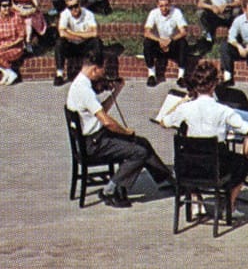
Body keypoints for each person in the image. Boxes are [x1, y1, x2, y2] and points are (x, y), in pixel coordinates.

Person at [160, 61, 248, 217]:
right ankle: (229, 206)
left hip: (189, 167)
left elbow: (164, 122)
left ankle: (196, 201)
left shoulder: (185, 108)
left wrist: (181, 102)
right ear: (214, 85)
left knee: (187, 156)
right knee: (244, 163)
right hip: (216, 166)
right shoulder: (224, 110)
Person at [66, 52, 173, 208]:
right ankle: (110, 189)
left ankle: (165, 180)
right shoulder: (85, 91)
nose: (104, 74)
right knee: (140, 152)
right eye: (103, 70)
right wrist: (125, 132)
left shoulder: (79, 84)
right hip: (95, 143)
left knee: (142, 142)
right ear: (94, 69)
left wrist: (116, 91)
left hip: (92, 138)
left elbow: (100, 110)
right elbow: (107, 122)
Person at [142, 0, 190, 87]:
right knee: (147, 43)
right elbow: (147, 32)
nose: (164, 8)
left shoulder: (176, 12)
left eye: (166, 5)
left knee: (183, 43)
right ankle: (151, 75)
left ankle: (181, 77)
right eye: (161, 6)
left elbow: (183, 31)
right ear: (157, 5)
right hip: (159, 44)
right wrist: (160, 40)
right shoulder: (153, 13)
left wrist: (170, 40)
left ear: (170, 3)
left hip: (172, 44)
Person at [54, 0, 103, 86]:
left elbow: (94, 33)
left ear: (80, 4)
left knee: (97, 42)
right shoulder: (64, 14)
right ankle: (59, 75)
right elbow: (62, 33)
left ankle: (98, 73)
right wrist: (83, 35)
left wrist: (71, 32)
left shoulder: (88, 14)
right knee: (59, 42)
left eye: (76, 6)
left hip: (85, 45)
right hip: (71, 45)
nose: (74, 9)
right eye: (70, 7)